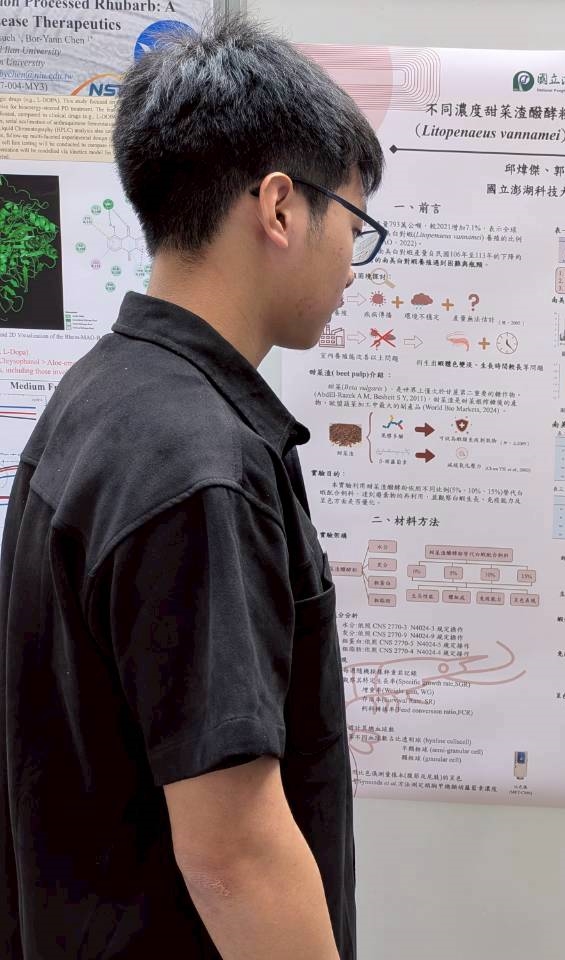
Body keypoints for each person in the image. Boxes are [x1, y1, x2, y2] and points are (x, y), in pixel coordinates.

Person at [0, 15, 386, 959]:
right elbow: (233, 854)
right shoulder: (201, 466)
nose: (353, 263)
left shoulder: (101, 393)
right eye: (355, 224)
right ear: (281, 208)